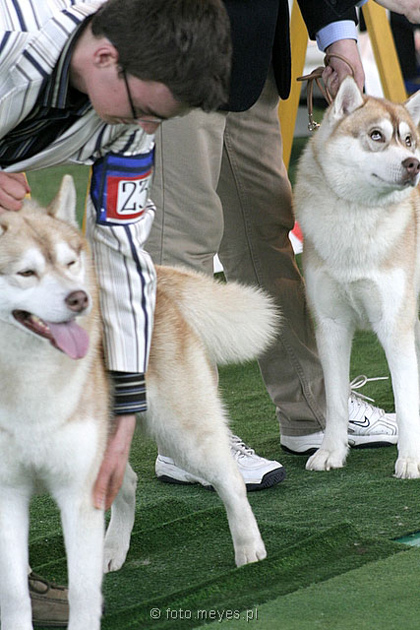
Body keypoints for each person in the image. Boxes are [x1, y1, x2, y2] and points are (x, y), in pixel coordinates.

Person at [0, 0, 231, 625]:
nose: (148, 131)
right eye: (144, 112)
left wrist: (124, 413)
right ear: (105, 58)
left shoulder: (129, 127)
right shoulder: (10, 37)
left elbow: (125, 261)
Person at [146, 0, 401, 490]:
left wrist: (337, 33)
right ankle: (187, 439)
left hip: (251, 55)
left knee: (266, 230)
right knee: (181, 240)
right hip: (174, 43)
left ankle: (314, 409)